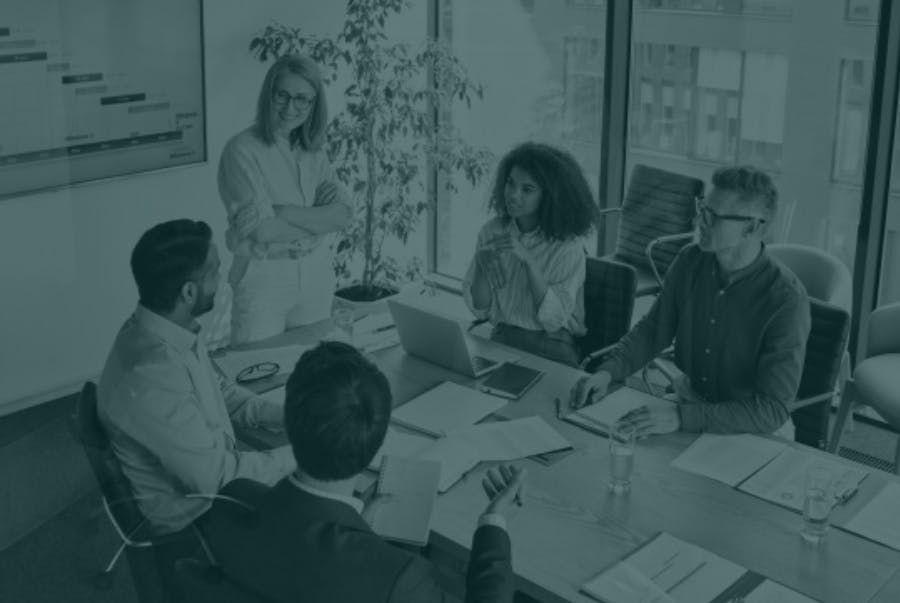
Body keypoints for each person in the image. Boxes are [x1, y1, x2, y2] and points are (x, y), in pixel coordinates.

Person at [202, 341, 523, 603]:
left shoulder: (232, 500)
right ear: (378, 439)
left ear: (290, 422)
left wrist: (358, 529)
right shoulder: (398, 578)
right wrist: (493, 522)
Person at [569, 165, 811, 437]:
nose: (697, 223)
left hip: (751, 426)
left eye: (713, 217)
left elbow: (771, 410)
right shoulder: (689, 260)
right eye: (701, 209)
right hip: (688, 402)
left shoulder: (786, 300)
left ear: (751, 228)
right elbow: (652, 331)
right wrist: (607, 373)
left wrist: (682, 417)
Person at [97, 220, 295, 536]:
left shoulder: (165, 327)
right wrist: (307, 451)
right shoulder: (151, 376)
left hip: (216, 483)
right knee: (330, 513)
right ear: (189, 292)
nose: (224, 277)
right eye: (215, 271)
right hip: (197, 524)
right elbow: (218, 481)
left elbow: (219, 392)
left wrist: (288, 416)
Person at [218, 54, 352, 344]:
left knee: (314, 373)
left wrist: (283, 211)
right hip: (265, 276)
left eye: (302, 99)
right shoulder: (241, 150)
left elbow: (342, 216)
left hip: (316, 272)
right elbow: (263, 230)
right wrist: (319, 218)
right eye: (283, 95)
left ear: (314, 104)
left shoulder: (315, 151)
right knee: (259, 375)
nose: (291, 107)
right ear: (269, 94)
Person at [462, 142, 599, 366]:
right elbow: (481, 310)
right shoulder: (492, 231)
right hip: (502, 339)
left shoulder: (568, 247)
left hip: (551, 348)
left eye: (527, 189)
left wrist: (527, 260)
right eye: (510, 183)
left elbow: (553, 321)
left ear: (550, 196)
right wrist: (481, 265)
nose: (514, 195)